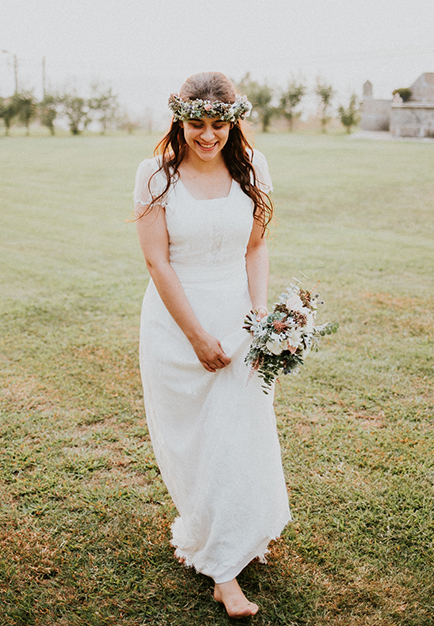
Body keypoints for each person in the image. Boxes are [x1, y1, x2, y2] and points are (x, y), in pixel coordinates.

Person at [134, 72, 291, 619]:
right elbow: (157, 261)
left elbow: (256, 246)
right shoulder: (155, 174)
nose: (207, 136)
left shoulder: (253, 166)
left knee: (239, 435)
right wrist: (197, 335)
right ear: (179, 119)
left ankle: (236, 544)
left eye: (218, 125)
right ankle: (222, 566)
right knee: (199, 444)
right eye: (196, 124)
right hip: (177, 324)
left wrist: (259, 317)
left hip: (239, 318)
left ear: (233, 121)